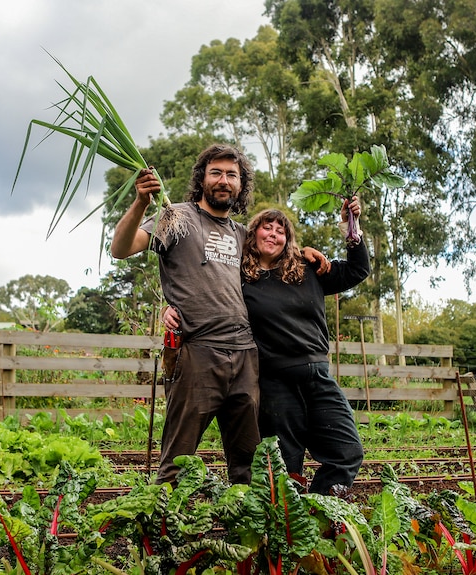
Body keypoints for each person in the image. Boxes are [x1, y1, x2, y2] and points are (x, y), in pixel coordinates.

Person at [110, 143, 328, 486]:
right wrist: (140, 203)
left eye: (232, 174)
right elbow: (121, 249)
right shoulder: (175, 217)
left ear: (241, 185)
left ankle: (245, 532)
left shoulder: (243, 235)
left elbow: (276, 260)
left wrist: (305, 253)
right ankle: (164, 530)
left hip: (245, 356)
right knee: (178, 459)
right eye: (216, 172)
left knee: (248, 461)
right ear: (202, 179)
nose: (223, 180)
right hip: (199, 352)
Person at [240, 198, 368, 495]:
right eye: (266, 227)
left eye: (280, 230)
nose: (273, 233)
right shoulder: (241, 281)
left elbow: (357, 270)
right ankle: (288, 527)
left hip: (318, 376)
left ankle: (319, 511)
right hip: (275, 383)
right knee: (286, 464)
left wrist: (351, 227)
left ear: (288, 239)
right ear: (252, 235)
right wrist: (173, 308)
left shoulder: (307, 269)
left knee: (347, 451)